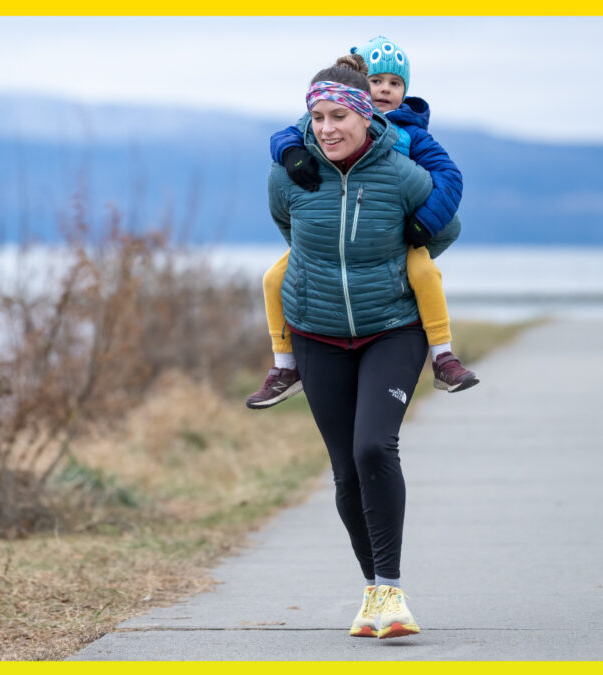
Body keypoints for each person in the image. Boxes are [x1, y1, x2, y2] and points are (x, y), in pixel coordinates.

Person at [267, 58, 460, 639]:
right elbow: (290, 230)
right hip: (316, 330)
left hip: (392, 328)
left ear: (364, 115)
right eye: (317, 117)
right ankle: (374, 590)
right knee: (346, 472)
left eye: (337, 116)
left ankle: (392, 590)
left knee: (374, 447)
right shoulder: (289, 174)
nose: (326, 128)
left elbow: (444, 226)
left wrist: (401, 255)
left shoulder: (400, 171)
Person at [246, 36, 477, 409]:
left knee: (424, 273)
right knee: (273, 278)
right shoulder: (325, 121)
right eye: (377, 80)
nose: (385, 89)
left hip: (399, 239)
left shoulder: (411, 135)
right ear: (359, 85)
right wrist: (291, 155)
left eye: (396, 83)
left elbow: (449, 178)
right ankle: (284, 366)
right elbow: (288, 136)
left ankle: (444, 358)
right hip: (330, 250)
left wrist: (423, 225)